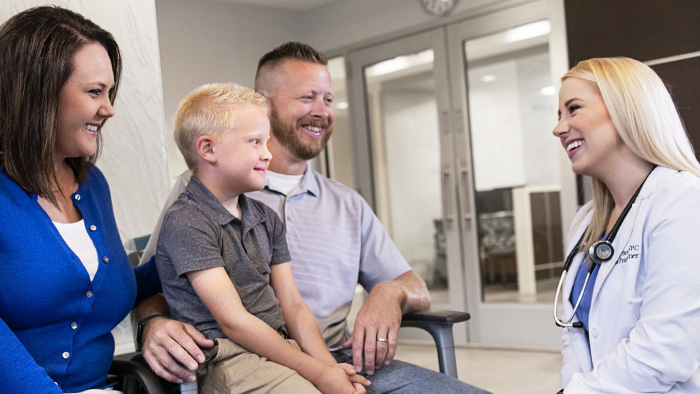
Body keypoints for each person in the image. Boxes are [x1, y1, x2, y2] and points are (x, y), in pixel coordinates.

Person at [137, 42, 489, 394]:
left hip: (335, 356)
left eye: (329, 100)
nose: (322, 111)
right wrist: (151, 323)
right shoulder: (196, 199)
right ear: (265, 102)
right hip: (249, 358)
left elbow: (415, 287)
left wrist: (389, 291)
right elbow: (150, 285)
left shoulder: (346, 202)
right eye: (307, 98)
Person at [156, 82, 368, 394]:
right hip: (228, 359)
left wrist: (328, 367)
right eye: (255, 142)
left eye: (266, 142)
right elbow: (234, 322)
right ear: (208, 149)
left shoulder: (265, 218)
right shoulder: (187, 221)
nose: (268, 154)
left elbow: (293, 305)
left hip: (278, 347)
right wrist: (318, 376)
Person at [0, 6, 160, 393]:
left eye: (109, 92)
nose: (109, 109)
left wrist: (190, 249)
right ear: (38, 93)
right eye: (94, 92)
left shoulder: (92, 185)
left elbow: (105, 287)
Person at [552, 57, 700, 392]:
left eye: (573, 109)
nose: (559, 128)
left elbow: (665, 350)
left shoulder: (682, 201)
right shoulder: (587, 222)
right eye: (559, 115)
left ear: (625, 109)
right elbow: (574, 332)